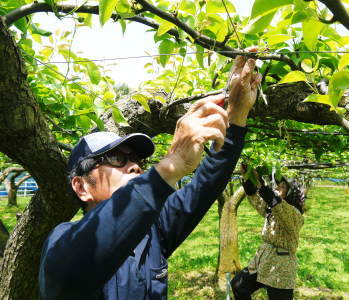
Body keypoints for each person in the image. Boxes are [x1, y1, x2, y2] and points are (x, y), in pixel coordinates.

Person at [38, 52, 262, 300]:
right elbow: (67, 273)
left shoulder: (154, 231)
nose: (134, 166)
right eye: (115, 159)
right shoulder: (62, 242)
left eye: (137, 160)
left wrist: (237, 114)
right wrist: (173, 163)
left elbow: (205, 184)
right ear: (81, 187)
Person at [231, 169, 305, 300]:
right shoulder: (273, 210)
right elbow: (260, 202)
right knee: (239, 284)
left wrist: (261, 184)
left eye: (282, 187)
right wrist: (250, 182)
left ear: (290, 193)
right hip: (263, 260)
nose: (277, 187)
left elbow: (279, 207)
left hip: (281, 267)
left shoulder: (294, 214)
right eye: (277, 185)